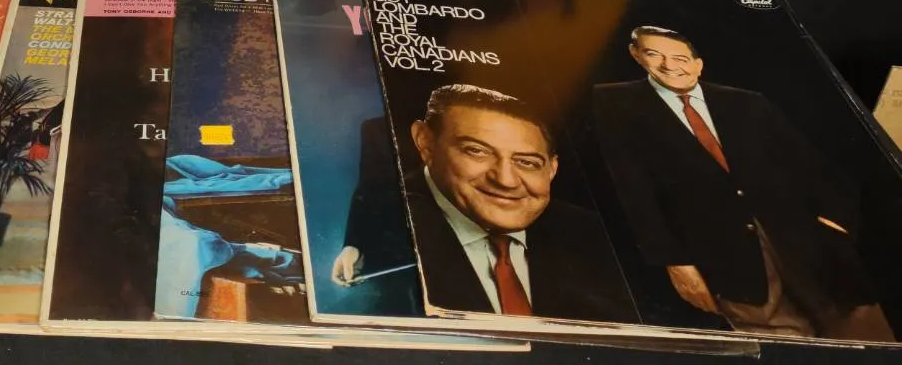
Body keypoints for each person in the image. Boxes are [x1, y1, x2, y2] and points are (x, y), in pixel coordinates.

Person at [593, 26, 895, 341]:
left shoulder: (747, 102)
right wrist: (675, 260)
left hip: (808, 246)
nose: (669, 65)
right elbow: (633, 189)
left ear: (698, 64)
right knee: (782, 346)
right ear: (636, 55)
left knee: (865, 336)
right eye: (654, 54)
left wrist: (836, 224)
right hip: (727, 259)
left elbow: (814, 168)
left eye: (680, 58)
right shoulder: (615, 102)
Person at [336, 85, 636, 323]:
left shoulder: (590, 235)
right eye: (476, 151)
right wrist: (357, 244)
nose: (505, 180)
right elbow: (374, 186)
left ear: (552, 169)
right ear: (425, 144)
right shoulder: (394, 235)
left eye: (527, 162)